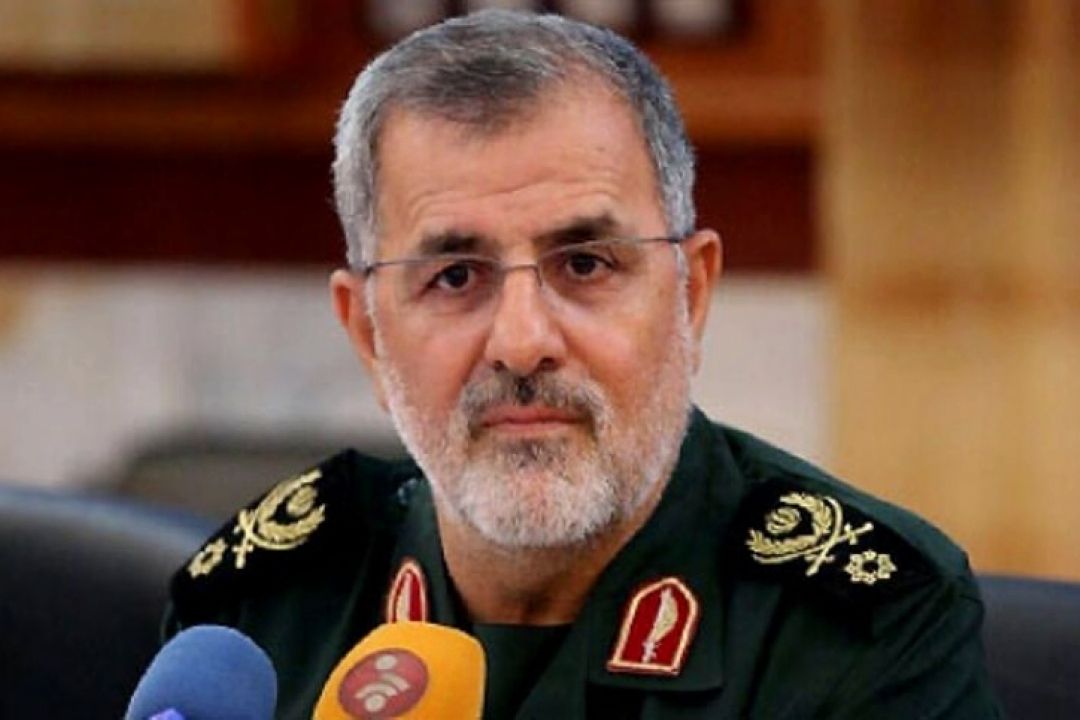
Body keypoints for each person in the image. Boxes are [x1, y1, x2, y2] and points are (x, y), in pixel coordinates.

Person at [166, 10, 1001, 719]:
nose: (522, 341)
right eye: (455, 277)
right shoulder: (258, 616)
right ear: (369, 335)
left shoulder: (863, 630)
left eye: (585, 264)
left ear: (691, 294)